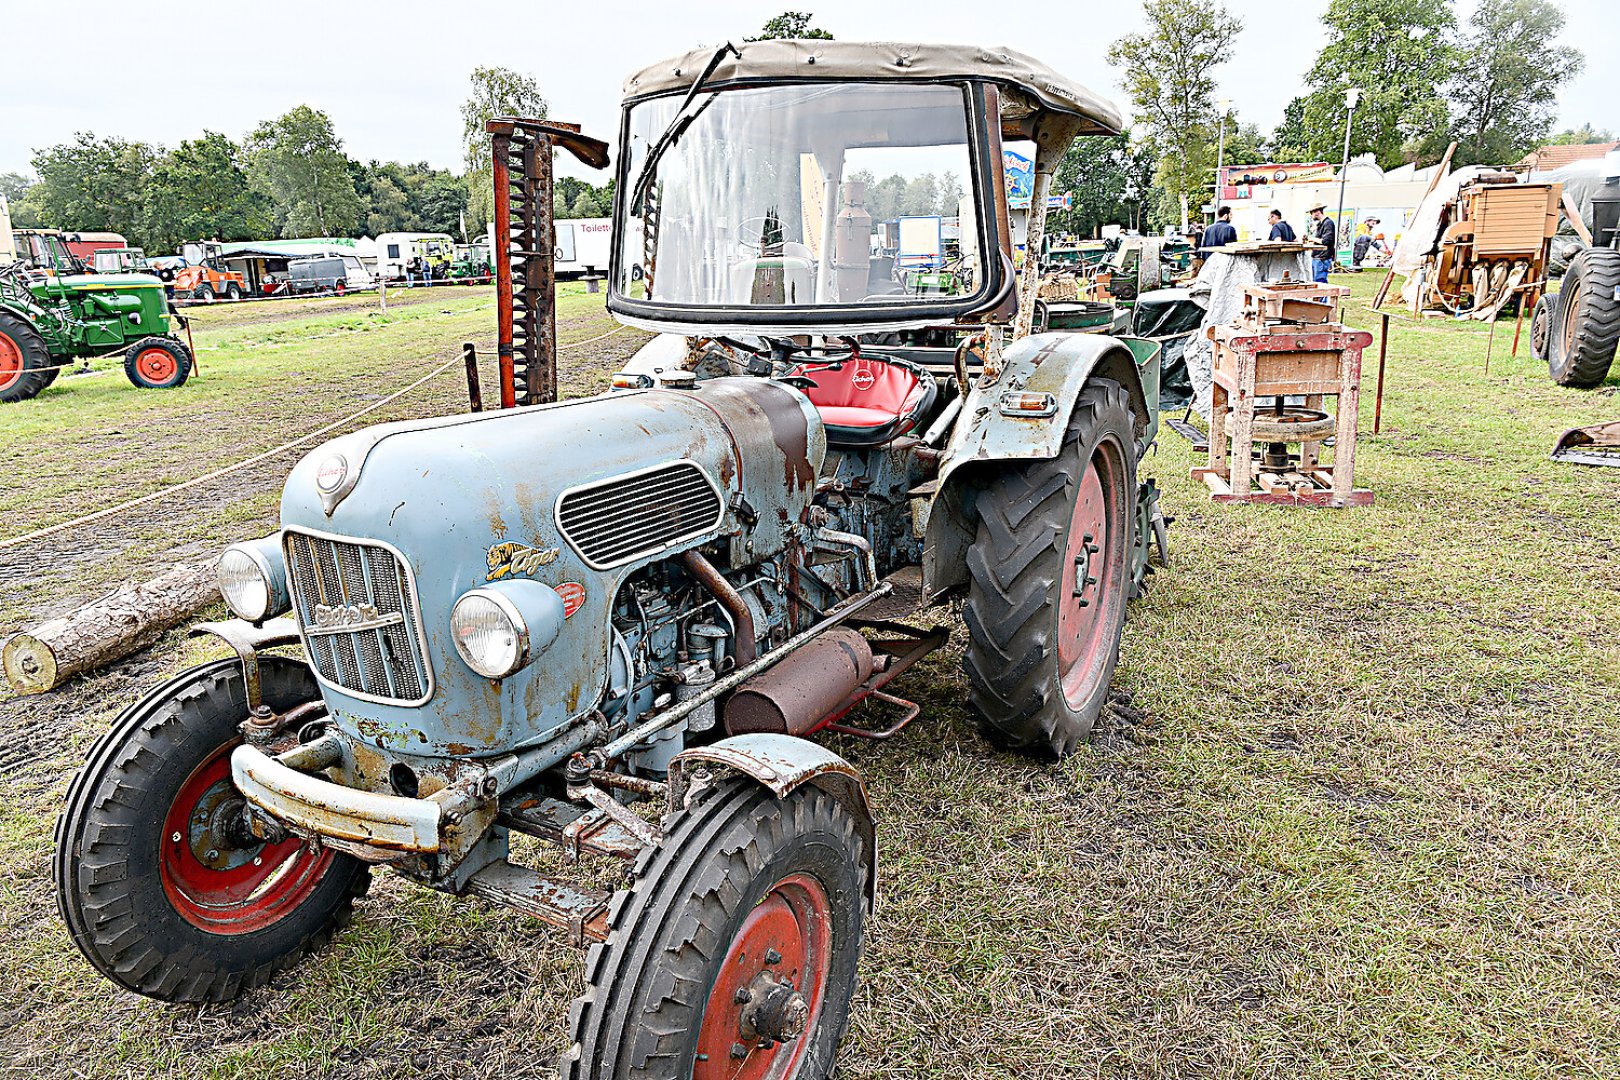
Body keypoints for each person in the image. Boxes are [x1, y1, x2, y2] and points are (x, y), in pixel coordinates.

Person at [1308, 203, 1336, 283]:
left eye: (1311, 213)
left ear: (1317, 212)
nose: (1311, 216)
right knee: (1315, 281)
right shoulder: (1321, 224)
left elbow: (1326, 241)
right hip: (1317, 257)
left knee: (1320, 281)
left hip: (1322, 258)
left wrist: (1312, 239)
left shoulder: (1328, 223)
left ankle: (1323, 296)